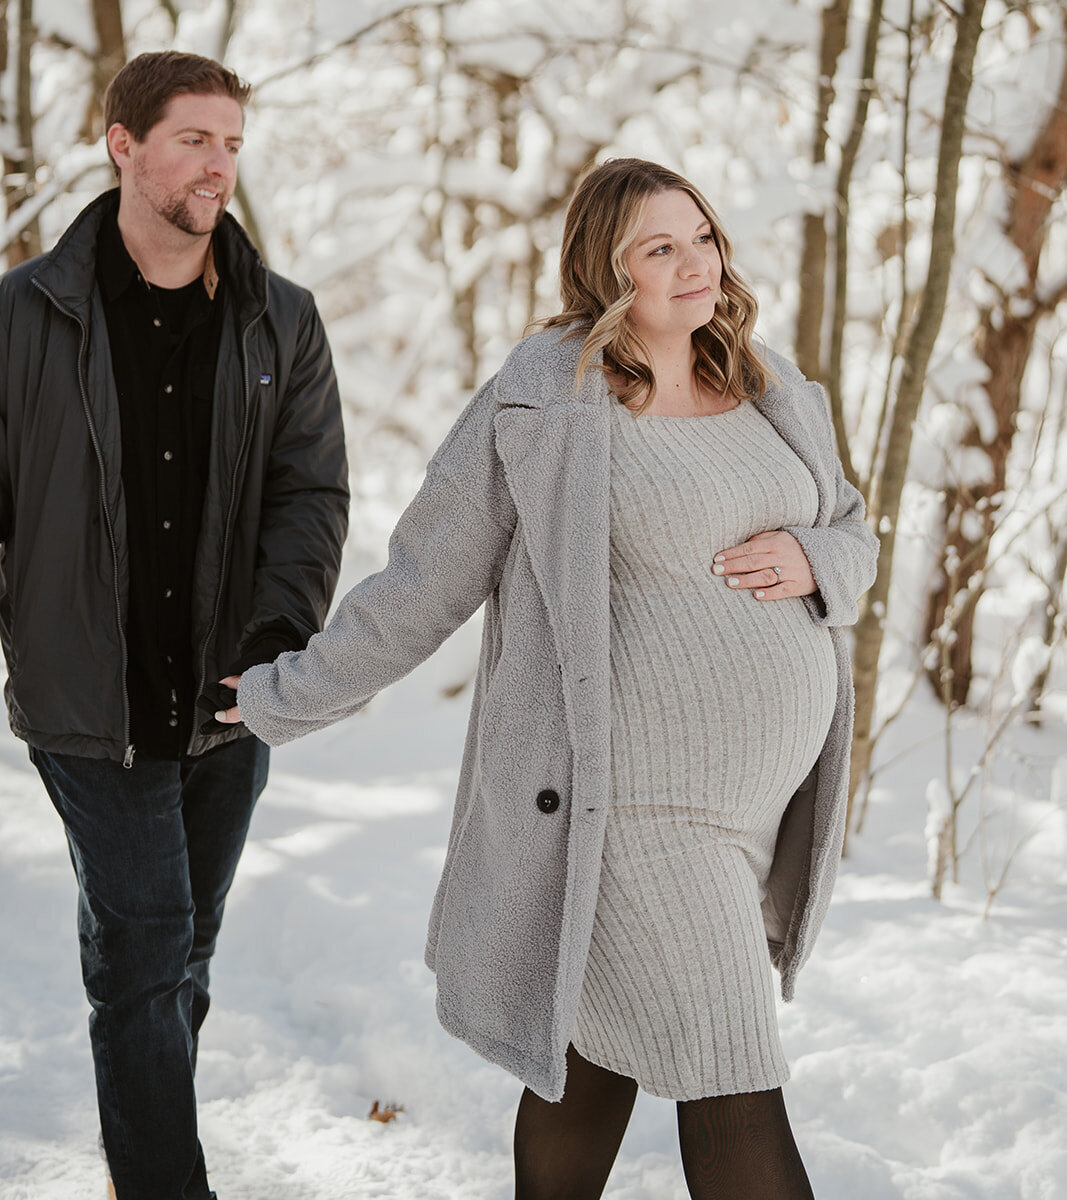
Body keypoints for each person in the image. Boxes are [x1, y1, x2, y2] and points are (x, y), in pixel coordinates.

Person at [216, 156, 877, 1199]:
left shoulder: (765, 380)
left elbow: (851, 528)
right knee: (732, 1074)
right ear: (604, 270)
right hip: (633, 813)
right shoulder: (547, 400)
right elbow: (425, 578)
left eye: (700, 235)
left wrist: (817, 560)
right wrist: (282, 691)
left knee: (594, 1057)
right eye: (658, 247)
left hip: (750, 809)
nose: (693, 263)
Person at [0, 51, 349, 1200]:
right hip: (86, 702)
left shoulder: (279, 322)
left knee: (181, 950)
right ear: (122, 144)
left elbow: (310, 494)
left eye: (232, 143)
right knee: (146, 947)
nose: (218, 165)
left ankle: (144, 1151)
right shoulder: (25, 317)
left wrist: (277, 637)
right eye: (194, 138)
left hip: (228, 700)